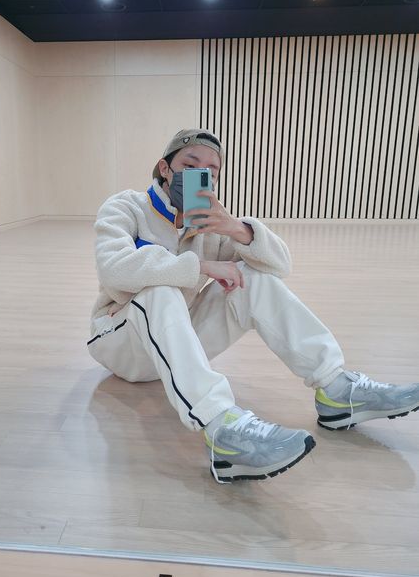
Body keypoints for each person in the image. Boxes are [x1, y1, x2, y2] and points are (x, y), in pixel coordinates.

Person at [87, 128, 419, 484]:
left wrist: (238, 229)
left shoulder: (211, 224)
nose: (200, 174)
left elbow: (280, 266)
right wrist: (201, 267)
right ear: (165, 169)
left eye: (211, 171)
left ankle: (336, 388)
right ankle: (221, 427)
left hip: (174, 345)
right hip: (120, 342)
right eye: (189, 165)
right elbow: (113, 267)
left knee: (252, 277)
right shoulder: (126, 206)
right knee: (160, 291)